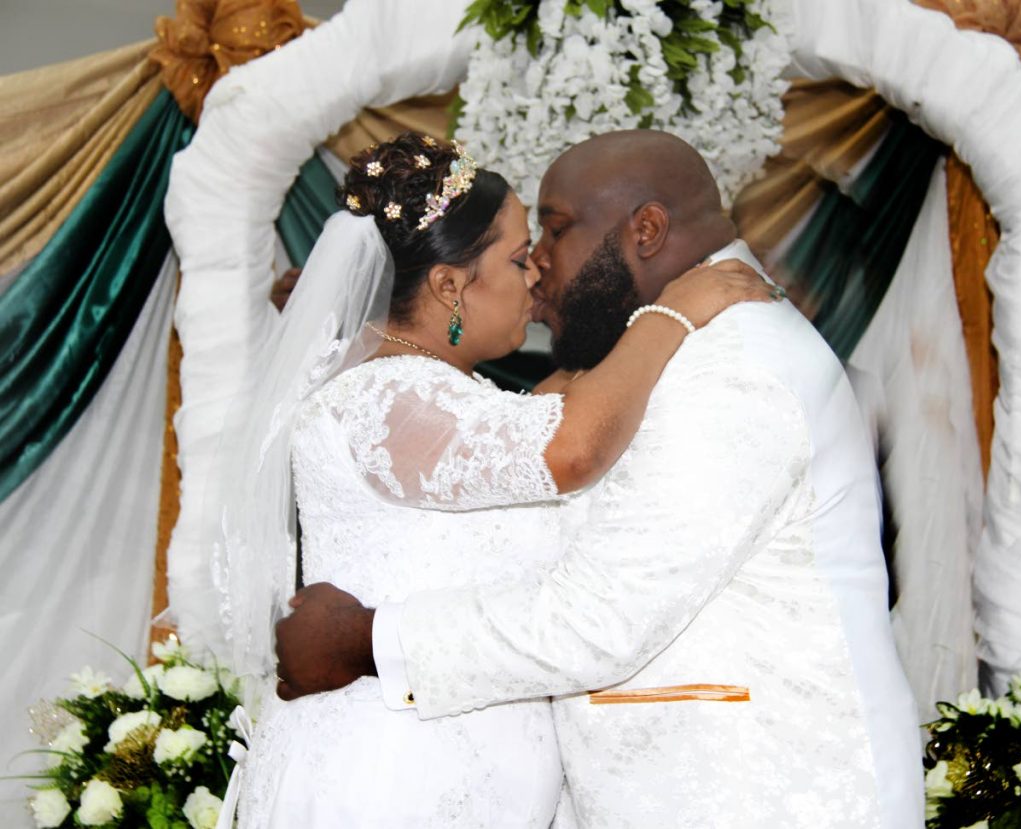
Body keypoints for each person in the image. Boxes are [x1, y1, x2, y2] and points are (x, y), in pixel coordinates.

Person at [274, 131, 926, 828]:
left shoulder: (730, 362)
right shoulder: (651, 353)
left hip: (756, 796)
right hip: (413, 772)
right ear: (447, 284)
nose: (538, 268)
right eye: (523, 251)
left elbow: (602, 613)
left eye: (552, 232)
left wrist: (367, 639)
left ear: (645, 229)